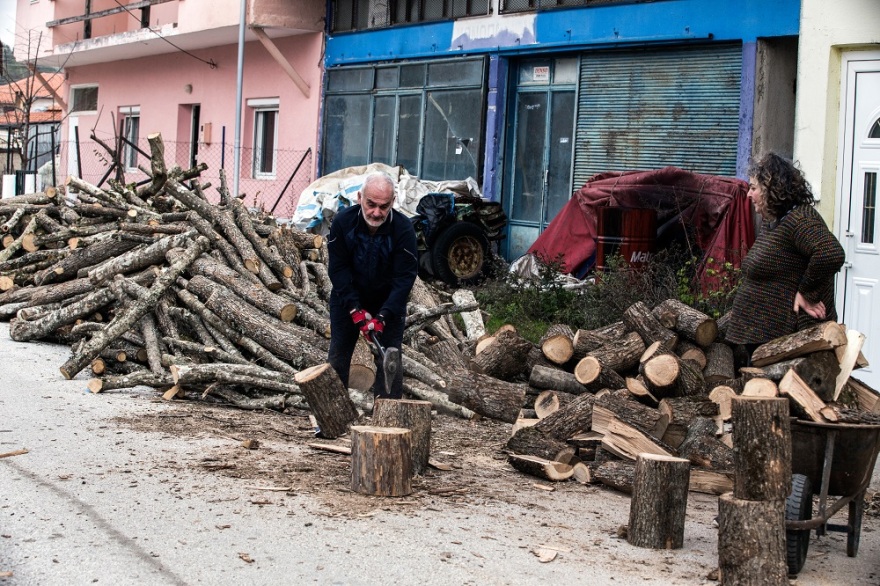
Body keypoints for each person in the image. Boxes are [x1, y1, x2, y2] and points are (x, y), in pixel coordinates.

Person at [726, 152, 846, 361]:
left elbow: (830, 253)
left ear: (771, 190)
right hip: (764, 338)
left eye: (753, 188)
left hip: (786, 342)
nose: (748, 194)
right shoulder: (774, 222)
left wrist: (806, 292)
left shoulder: (800, 219)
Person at [326, 171, 419, 399]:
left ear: (393, 202)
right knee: (338, 356)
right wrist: (354, 308)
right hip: (347, 296)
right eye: (371, 204)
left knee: (390, 360)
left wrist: (384, 316)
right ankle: (331, 420)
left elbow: (404, 279)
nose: (376, 212)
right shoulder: (342, 223)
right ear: (359, 197)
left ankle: (388, 420)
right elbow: (338, 270)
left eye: (383, 206)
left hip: (387, 300)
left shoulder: (404, 230)